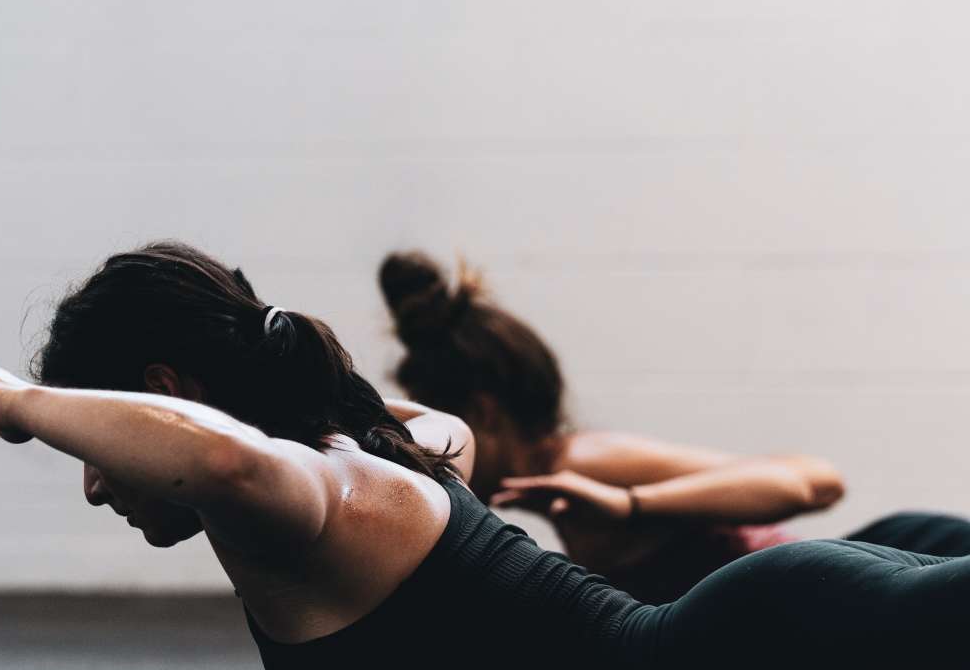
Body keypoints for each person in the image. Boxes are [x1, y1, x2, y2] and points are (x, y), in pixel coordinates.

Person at [0, 242, 970, 670]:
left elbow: (221, 455)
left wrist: (13, 402)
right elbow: (250, 433)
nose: (96, 484)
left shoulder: (311, 496)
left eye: (96, 444)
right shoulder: (404, 446)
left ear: (161, 392)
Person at [379, 251, 970, 602]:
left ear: (482, 413)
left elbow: (813, 482)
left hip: (891, 568)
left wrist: (632, 504)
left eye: (437, 428)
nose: (429, 452)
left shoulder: (585, 463)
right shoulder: (554, 491)